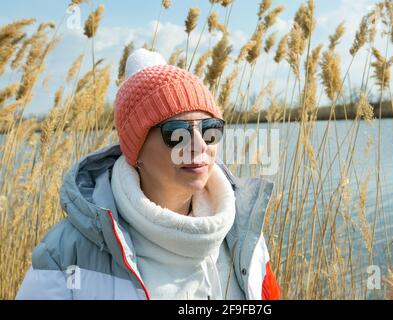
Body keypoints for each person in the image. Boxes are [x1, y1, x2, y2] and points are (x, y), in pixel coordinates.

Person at [15, 49, 280, 300]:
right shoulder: (66, 253)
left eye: (210, 129)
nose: (199, 146)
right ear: (135, 149)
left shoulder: (245, 234)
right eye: (177, 133)